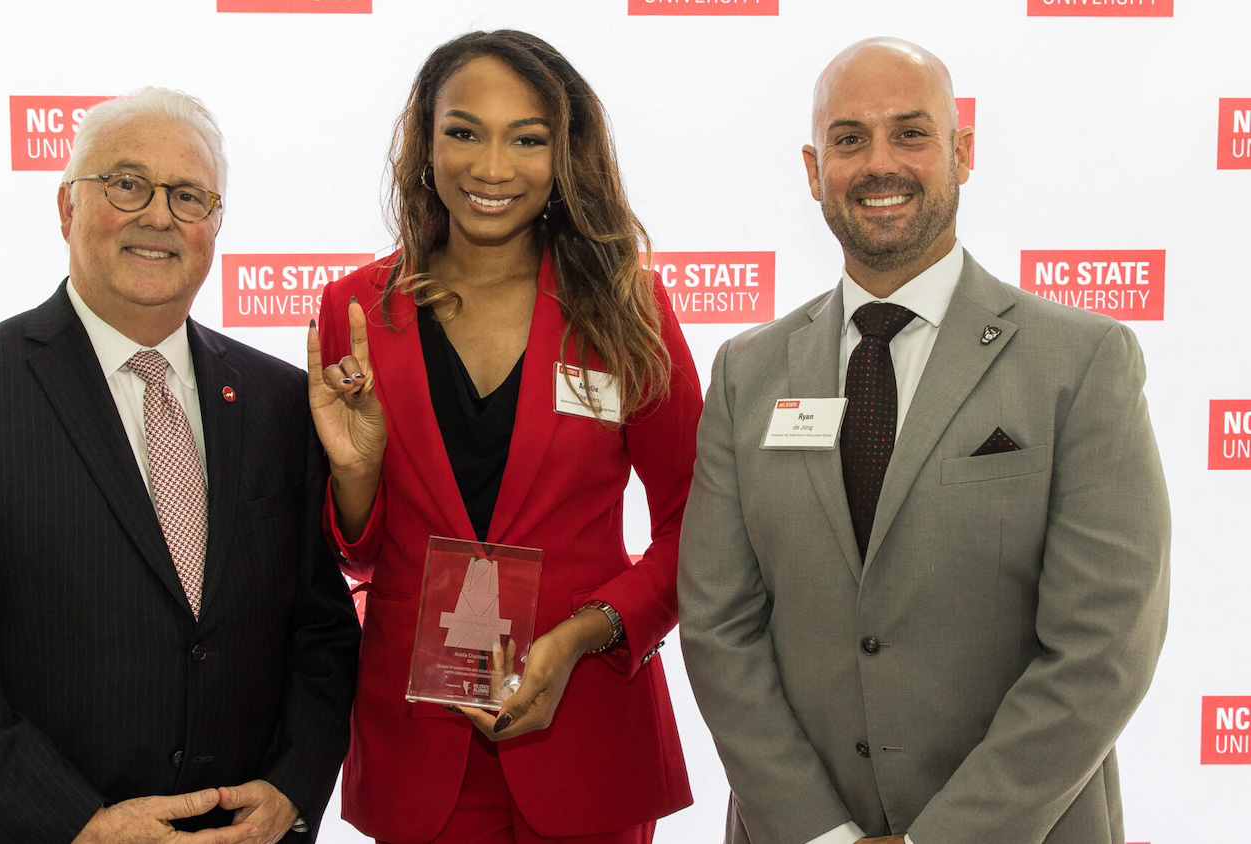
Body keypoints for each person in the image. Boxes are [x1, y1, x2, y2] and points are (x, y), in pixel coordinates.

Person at [679, 37, 1170, 844]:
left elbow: (1104, 646)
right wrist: (819, 832)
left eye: (911, 133)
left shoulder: (1081, 363)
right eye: (849, 139)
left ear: (961, 152)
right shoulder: (746, 372)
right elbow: (718, 626)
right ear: (813, 171)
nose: (880, 163)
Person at [0, 87, 360, 844]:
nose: (159, 215)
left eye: (189, 196)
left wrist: (291, 791)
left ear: (215, 225)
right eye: (126, 184)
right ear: (66, 208)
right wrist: (72, 826)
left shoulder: (283, 400)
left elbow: (323, 632)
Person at [308, 30, 700, 844]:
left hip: (586, 729)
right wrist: (354, 477)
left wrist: (584, 634)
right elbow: (353, 554)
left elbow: (698, 527)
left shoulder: (628, 307)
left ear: (565, 156)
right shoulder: (353, 311)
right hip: (419, 746)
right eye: (464, 131)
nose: (492, 168)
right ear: (425, 142)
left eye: (528, 138)